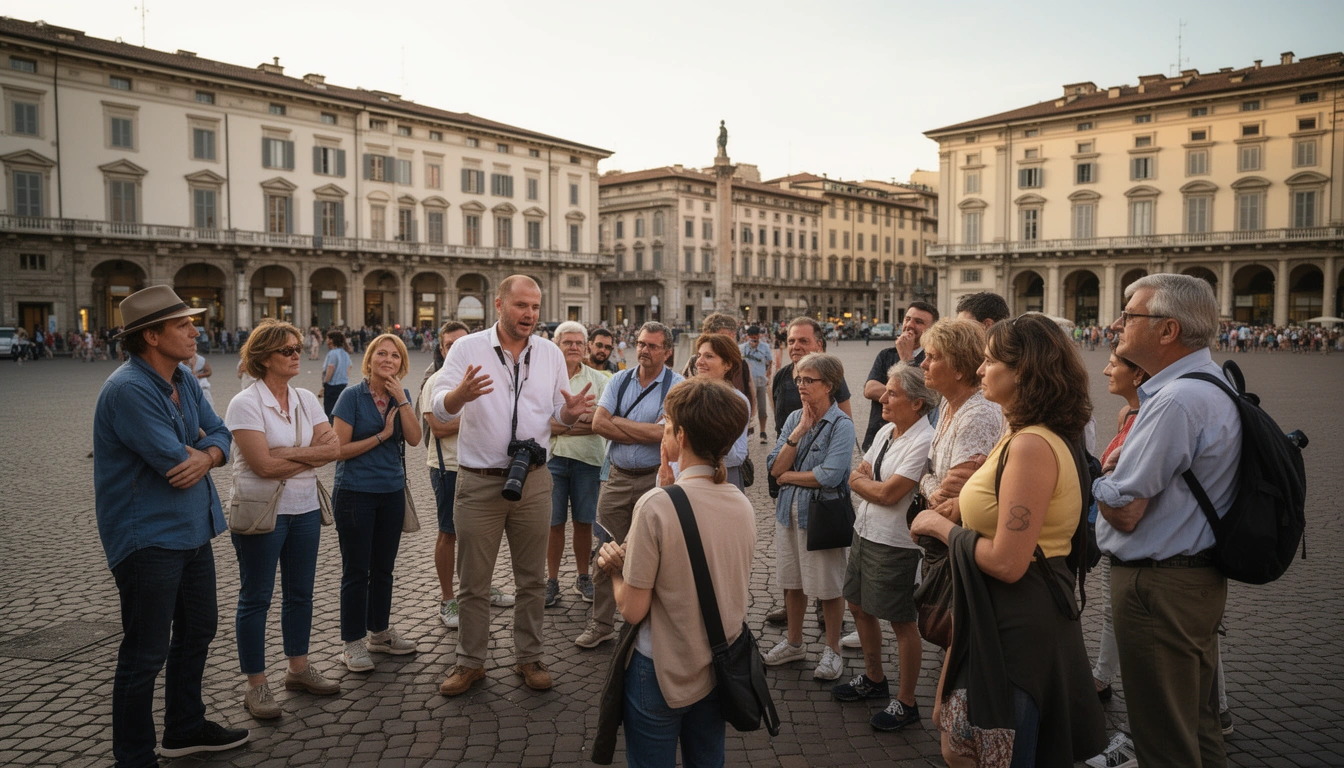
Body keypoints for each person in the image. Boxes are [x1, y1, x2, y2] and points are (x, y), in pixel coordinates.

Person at [910, 312, 1106, 767]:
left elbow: (1007, 561)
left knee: (997, 753)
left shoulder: (1031, 445)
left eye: (990, 361)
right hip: (999, 614)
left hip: (1019, 622)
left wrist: (940, 527)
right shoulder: (1017, 433)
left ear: (1023, 372)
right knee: (965, 747)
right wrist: (960, 508)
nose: (980, 371)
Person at [93, 285, 249, 765]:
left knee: (199, 628)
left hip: (191, 530)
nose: (194, 330)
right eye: (182, 324)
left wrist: (208, 452)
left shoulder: (181, 375)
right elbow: (170, 459)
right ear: (152, 336)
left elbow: (219, 432)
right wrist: (205, 450)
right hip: (148, 537)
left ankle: (183, 727)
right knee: (145, 652)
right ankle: (134, 756)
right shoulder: (128, 390)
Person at [1094, 274, 1239, 768]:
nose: (1116, 325)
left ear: (1167, 330)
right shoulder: (1212, 382)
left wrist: (1099, 474)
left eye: (1130, 315)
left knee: (1163, 737)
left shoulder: (1176, 400)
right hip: (1194, 578)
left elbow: (1125, 507)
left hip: (1159, 586)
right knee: (1196, 726)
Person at [432, 276, 595, 696]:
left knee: (532, 579)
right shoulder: (468, 348)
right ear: (499, 303)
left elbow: (555, 412)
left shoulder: (550, 353)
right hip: (479, 480)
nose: (530, 315)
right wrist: (460, 396)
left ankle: (530, 657)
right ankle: (470, 662)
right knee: (473, 581)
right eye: (522, 305)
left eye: (536, 307)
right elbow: (438, 404)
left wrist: (571, 412)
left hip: (535, 479)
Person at [596, 377, 755, 768]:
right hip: (719, 665)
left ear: (679, 437)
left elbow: (633, 610)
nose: (663, 434)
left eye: (666, 427)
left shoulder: (656, 506)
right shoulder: (740, 501)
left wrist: (615, 568)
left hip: (661, 669)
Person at [225, 319, 342, 720]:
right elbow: (261, 466)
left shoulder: (307, 398)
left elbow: (333, 449)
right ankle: (256, 686)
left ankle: (298, 668)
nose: (297, 354)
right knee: (255, 598)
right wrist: (306, 454)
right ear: (263, 358)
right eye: (287, 350)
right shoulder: (245, 403)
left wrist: (284, 454)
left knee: (300, 594)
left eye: (297, 348)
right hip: (262, 512)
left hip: (306, 509)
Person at [831, 362, 937, 732]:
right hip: (866, 530)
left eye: (893, 393)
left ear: (919, 403)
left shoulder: (924, 440)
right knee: (858, 605)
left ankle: (907, 702)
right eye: (885, 390)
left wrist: (861, 483)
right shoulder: (887, 430)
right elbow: (863, 473)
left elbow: (890, 494)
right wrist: (866, 483)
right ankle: (875, 679)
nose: (883, 397)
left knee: (902, 621)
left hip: (896, 543)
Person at [578, 321, 683, 649]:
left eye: (652, 346)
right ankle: (601, 624)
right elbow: (598, 423)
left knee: (657, 553)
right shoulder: (620, 380)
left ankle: (651, 624)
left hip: (658, 479)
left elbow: (666, 434)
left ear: (667, 351)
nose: (643, 351)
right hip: (618, 477)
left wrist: (618, 422)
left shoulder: (678, 387)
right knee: (605, 550)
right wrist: (643, 428)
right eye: (640, 344)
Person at [331, 332, 423, 672]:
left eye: (395, 356)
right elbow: (338, 451)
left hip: (391, 492)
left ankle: (380, 634)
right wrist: (382, 436)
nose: (388, 360)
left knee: (384, 569)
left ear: (402, 363)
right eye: (382, 354)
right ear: (370, 360)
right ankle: (352, 642)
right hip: (355, 493)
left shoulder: (403, 396)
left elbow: (415, 439)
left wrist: (402, 400)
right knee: (357, 571)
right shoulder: (351, 397)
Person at [764, 352, 855, 681]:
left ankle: (833, 650)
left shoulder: (842, 425)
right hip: (788, 514)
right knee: (793, 583)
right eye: (798, 379)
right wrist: (800, 430)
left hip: (822, 514)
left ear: (828, 385)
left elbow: (830, 475)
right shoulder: (792, 420)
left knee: (830, 587)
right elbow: (774, 467)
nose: (800, 385)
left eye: (808, 380)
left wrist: (790, 477)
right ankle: (794, 642)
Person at [419, 321, 511, 631]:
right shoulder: (434, 382)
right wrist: (478, 417)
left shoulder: (483, 377)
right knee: (449, 533)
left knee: (480, 535)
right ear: (442, 350)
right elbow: (439, 427)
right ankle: (448, 600)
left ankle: (481, 588)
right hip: (449, 467)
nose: (457, 348)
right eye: (450, 344)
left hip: (481, 466)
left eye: (463, 342)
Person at [546, 321, 611, 607]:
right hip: (552, 459)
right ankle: (551, 580)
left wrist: (561, 423)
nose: (573, 347)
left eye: (577, 343)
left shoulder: (600, 380)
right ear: (556, 345)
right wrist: (581, 419)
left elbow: (603, 422)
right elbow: (538, 421)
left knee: (584, 522)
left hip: (588, 460)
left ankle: (583, 576)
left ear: (585, 347)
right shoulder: (545, 378)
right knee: (553, 523)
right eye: (567, 342)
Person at [863, 301, 938, 450]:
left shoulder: (932, 360)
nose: (910, 325)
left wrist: (906, 358)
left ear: (931, 330)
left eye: (919, 322)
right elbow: (870, 389)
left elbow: (928, 397)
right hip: (877, 436)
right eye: (907, 319)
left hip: (913, 443)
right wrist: (904, 396)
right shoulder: (886, 355)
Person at [689, 333, 751, 490]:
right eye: (699, 355)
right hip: (686, 482)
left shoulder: (737, 401)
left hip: (722, 482)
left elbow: (738, 456)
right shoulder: (685, 396)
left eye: (709, 356)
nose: (699, 362)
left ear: (728, 364)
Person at [740, 325, 774, 444]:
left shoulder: (764, 347)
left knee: (762, 409)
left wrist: (768, 374)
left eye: (755, 337)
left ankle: (763, 432)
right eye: (751, 337)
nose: (753, 339)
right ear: (747, 336)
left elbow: (770, 361)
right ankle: (747, 431)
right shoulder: (742, 348)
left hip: (760, 382)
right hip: (747, 384)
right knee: (746, 408)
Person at [322, 330, 351, 424]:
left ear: (332, 340)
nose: (326, 341)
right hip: (343, 385)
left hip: (332, 386)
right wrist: (345, 377)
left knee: (330, 411)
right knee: (340, 410)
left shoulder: (332, 353)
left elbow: (330, 367)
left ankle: (332, 429)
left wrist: (325, 382)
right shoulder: (345, 353)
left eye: (327, 338)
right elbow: (349, 367)